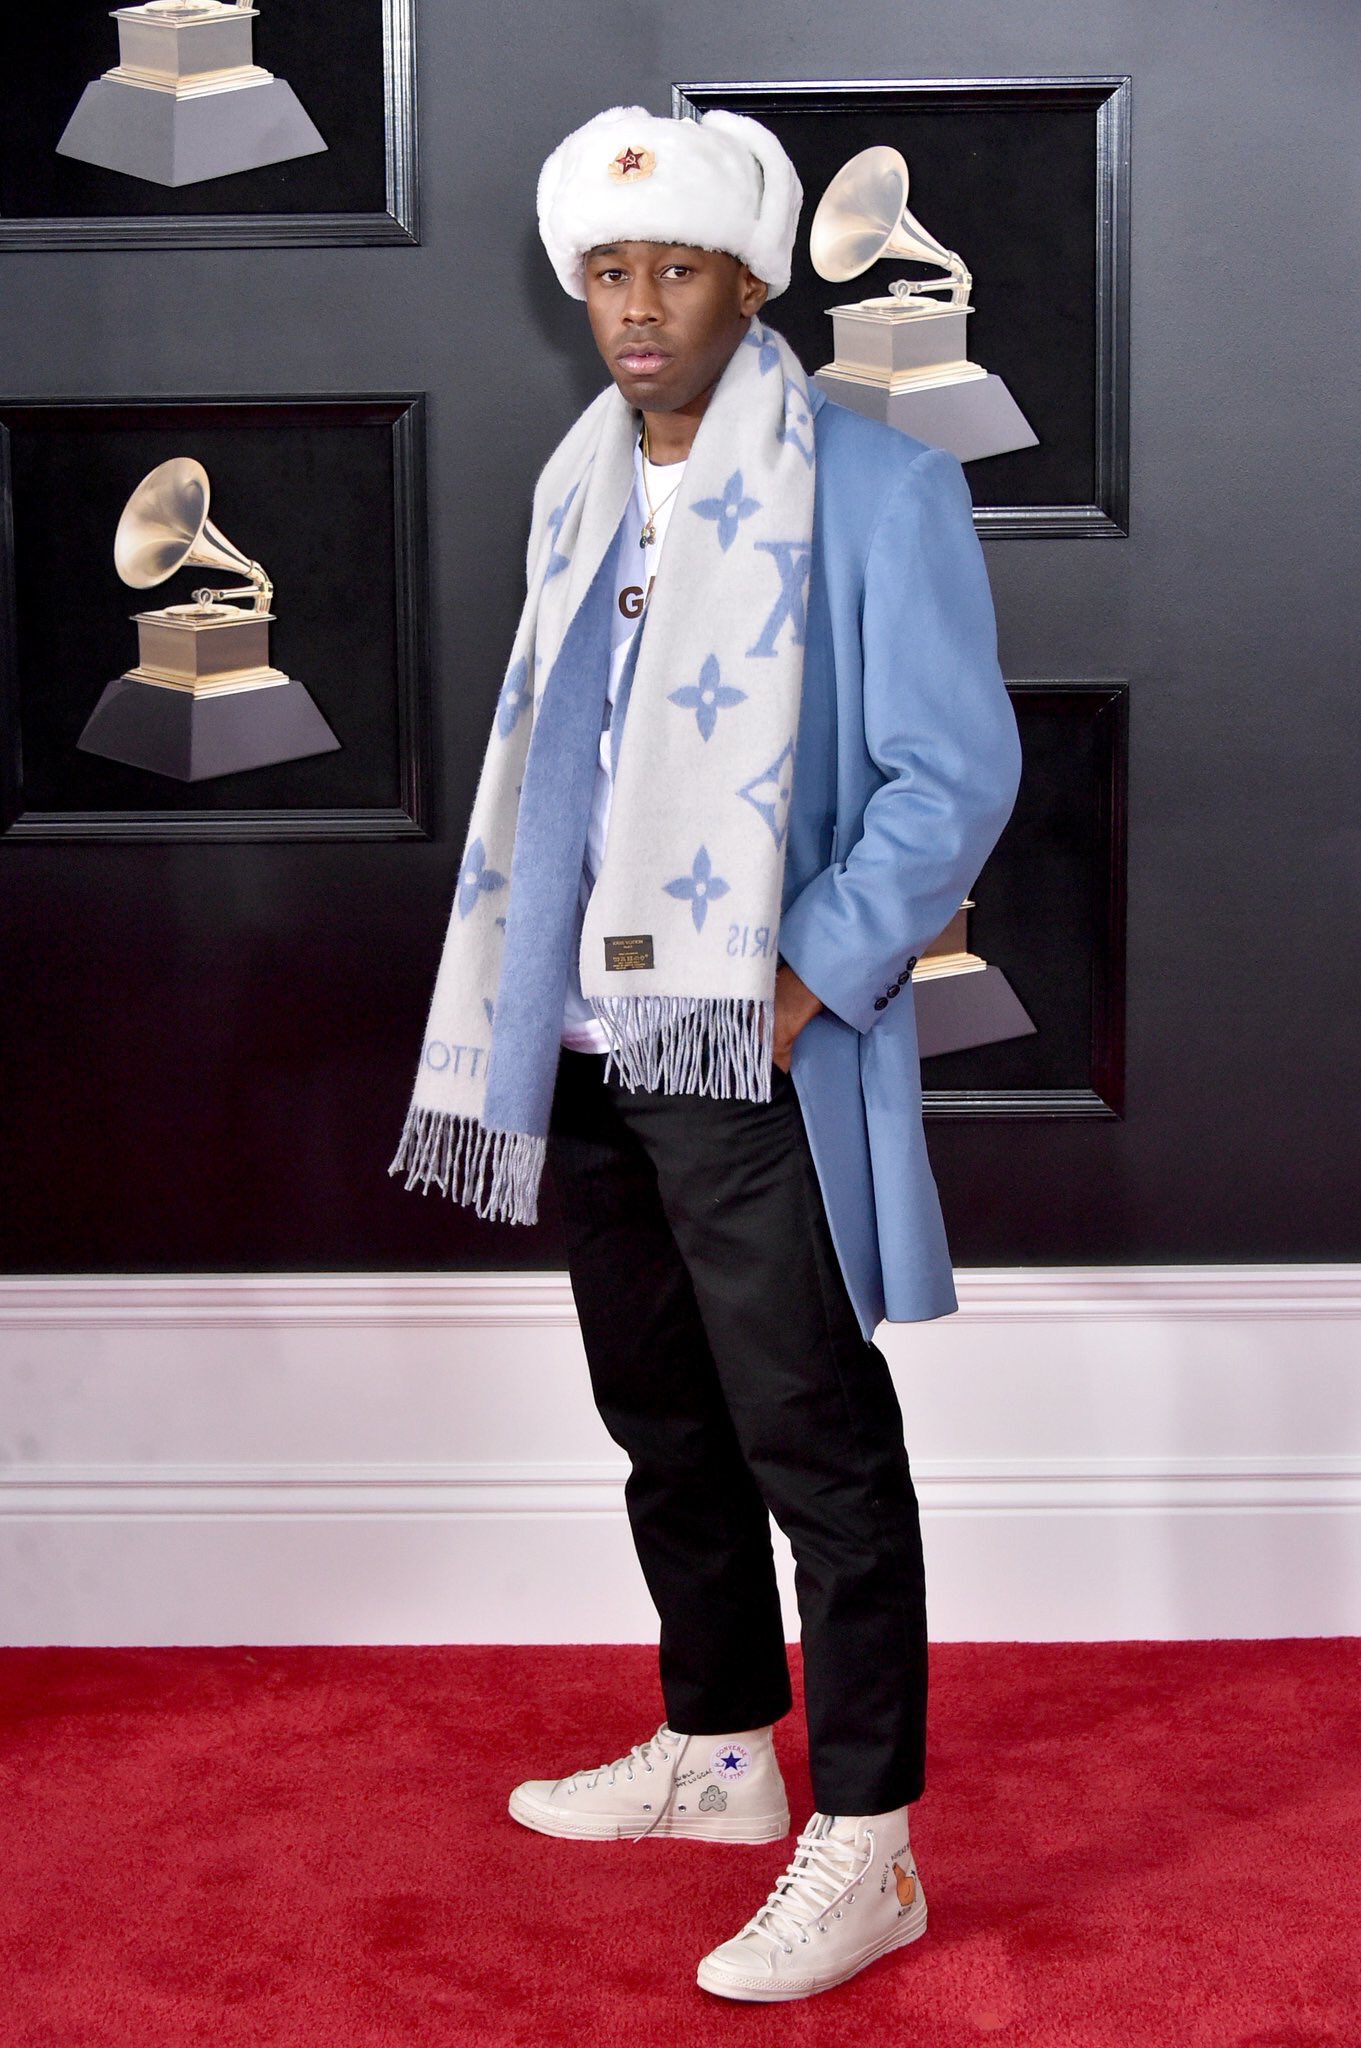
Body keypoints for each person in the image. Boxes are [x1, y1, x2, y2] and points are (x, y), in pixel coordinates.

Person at [390, 103, 1022, 2002]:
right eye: (607, 272)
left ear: (751, 286)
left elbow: (950, 776)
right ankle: (725, 1753)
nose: (637, 307)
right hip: (579, 1030)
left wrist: (809, 978)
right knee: (659, 1417)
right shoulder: (577, 481)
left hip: (742, 1047)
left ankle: (871, 1844)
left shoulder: (877, 489)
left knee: (812, 1440)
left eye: (675, 270)